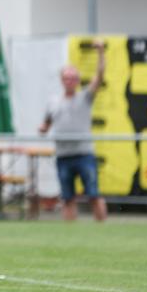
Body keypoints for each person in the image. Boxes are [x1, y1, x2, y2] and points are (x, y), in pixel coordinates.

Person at [39, 41, 107, 222]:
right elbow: (46, 124)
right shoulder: (53, 102)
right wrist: (42, 128)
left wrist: (101, 53)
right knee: (67, 198)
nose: (69, 81)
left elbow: (100, 76)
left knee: (93, 194)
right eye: (66, 78)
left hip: (84, 154)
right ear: (61, 80)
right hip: (63, 155)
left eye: (72, 78)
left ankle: (104, 229)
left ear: (77, 81)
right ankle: (69, 233)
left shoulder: (85, 97)